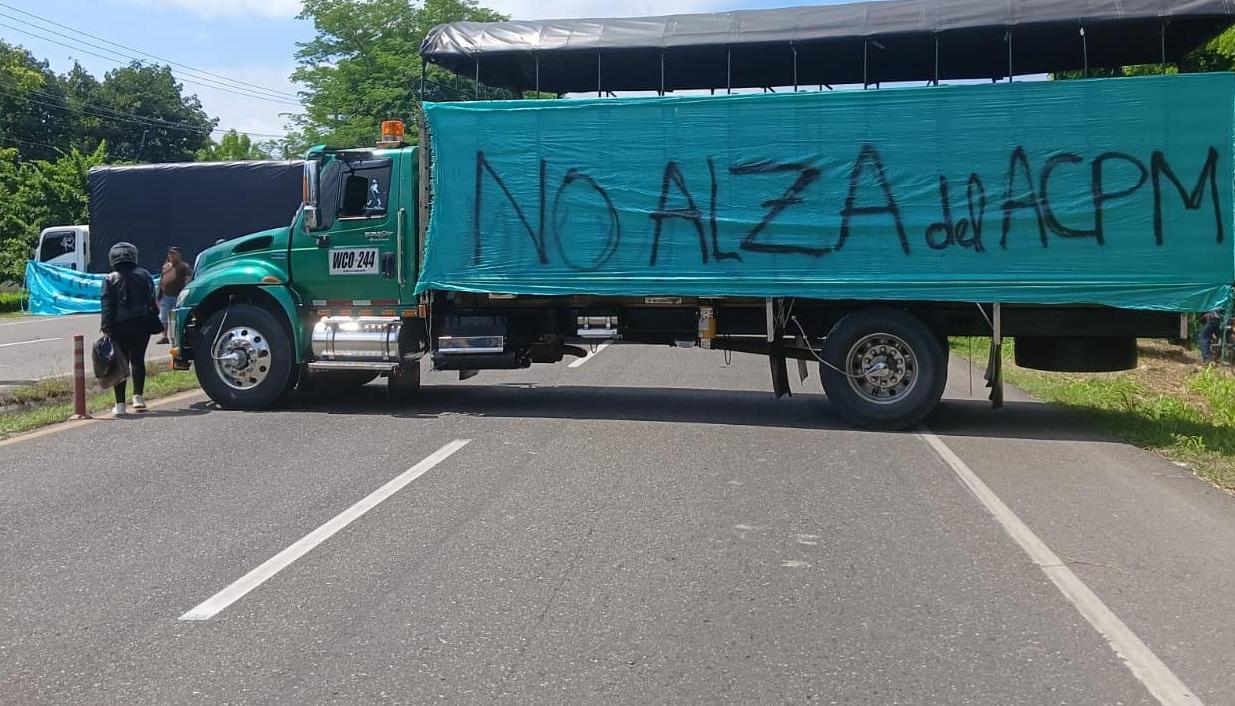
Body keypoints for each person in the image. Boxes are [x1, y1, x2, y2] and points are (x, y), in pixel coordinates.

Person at [100, 242, 156, 415]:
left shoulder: (109, 278)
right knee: (137, 360)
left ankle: (120, 405)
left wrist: (105, 327)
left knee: (120, 363)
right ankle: (138, 398)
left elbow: (107, 306)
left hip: (118, 327)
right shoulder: (145, 274)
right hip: (142, 324)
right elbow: (152, 300)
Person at [156, 246, 192, 344]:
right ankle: (164, 337)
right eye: (170, 254)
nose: (171, 255)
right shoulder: (166, 266)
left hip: (177, 296)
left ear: (179, 255)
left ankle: (177, 337)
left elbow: (188, 280)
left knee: (177, 318)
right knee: (163, 317)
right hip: (165, 296)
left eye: (174, 253)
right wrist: (158, 296)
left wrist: (185, 293)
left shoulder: (184, 266)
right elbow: (161, 280)